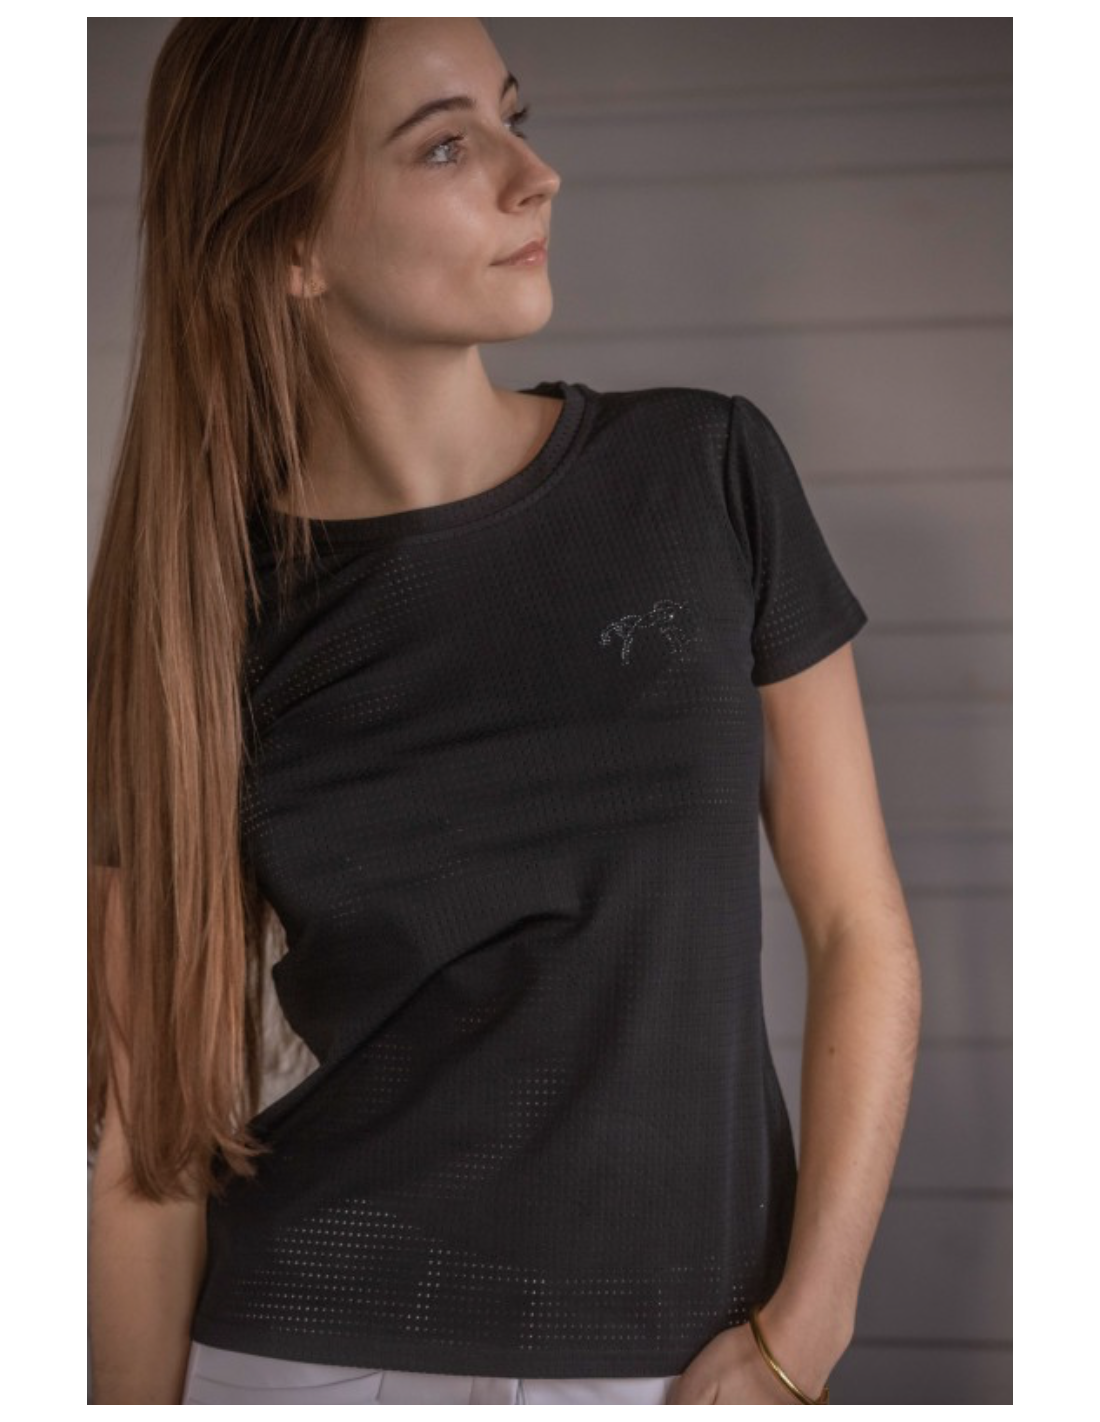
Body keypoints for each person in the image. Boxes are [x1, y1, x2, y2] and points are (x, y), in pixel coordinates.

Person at [87, 17, 922, 1407]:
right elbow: (145, 1130)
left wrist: (804, 1333)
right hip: (304, 1353)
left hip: (681, 1362)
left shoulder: (704, 471)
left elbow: (860, 929)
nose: (536, 176)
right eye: (444, 146)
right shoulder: (195, 615)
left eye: (512, 117)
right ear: (291, 245)